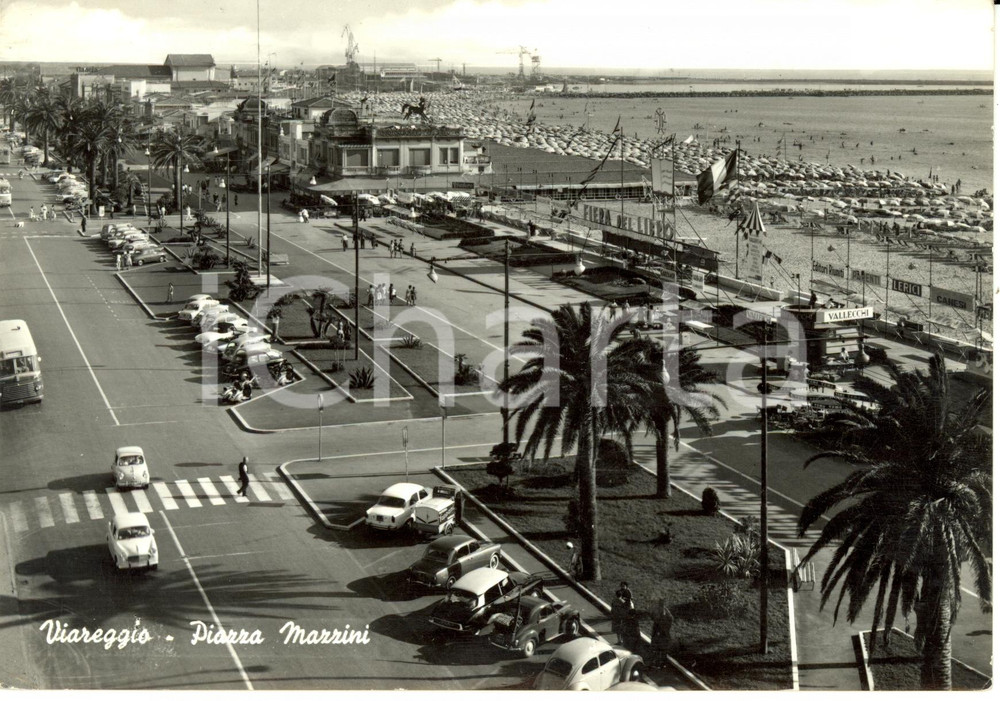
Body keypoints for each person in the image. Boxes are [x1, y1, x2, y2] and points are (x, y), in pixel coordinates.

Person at [648, 599, 674, 668]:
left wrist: (664, 628)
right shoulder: (664, 611)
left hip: (660, 633)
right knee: (661, 649)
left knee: (659, 649)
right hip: (660, 633)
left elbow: (658, 621)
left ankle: (659, 663)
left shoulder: (663, 612)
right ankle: (659, 662)